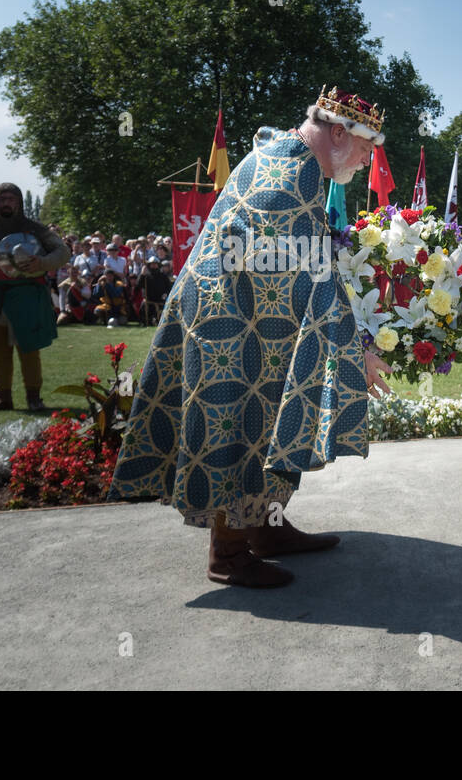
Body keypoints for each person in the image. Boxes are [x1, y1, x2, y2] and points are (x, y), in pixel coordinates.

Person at [108, 86, 393, 590]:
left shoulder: (286, 152)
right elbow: (315, 272)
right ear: (338, 133)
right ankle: (229, 552)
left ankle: (266, 528)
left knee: (268, 419)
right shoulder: (294, 175)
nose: (369, 162)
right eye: (368, 149)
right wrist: (360, 350)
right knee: (237, 421)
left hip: (250, 311)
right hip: (230, 323)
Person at [0, 182, 72, 413]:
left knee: (29, 349)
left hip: (26, 297)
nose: (6, 203)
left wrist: (42, 263)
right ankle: (2, 398)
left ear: (19, 202)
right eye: (2, 199)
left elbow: (62, 252)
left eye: (11, 199)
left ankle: (34, 398)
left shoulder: (34, 229)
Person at [137, 256, 171, 327]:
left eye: (155, 264)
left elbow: (169, 288)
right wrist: (142, 274)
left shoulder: (163, 276)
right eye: (152, 264)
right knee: (143, 306)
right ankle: (145, 321)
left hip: (161, 301)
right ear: (149, 265)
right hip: (149, 301)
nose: (154, 266)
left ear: (158, 265)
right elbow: (139, 286)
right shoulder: (146, 276)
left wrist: (166, 294)